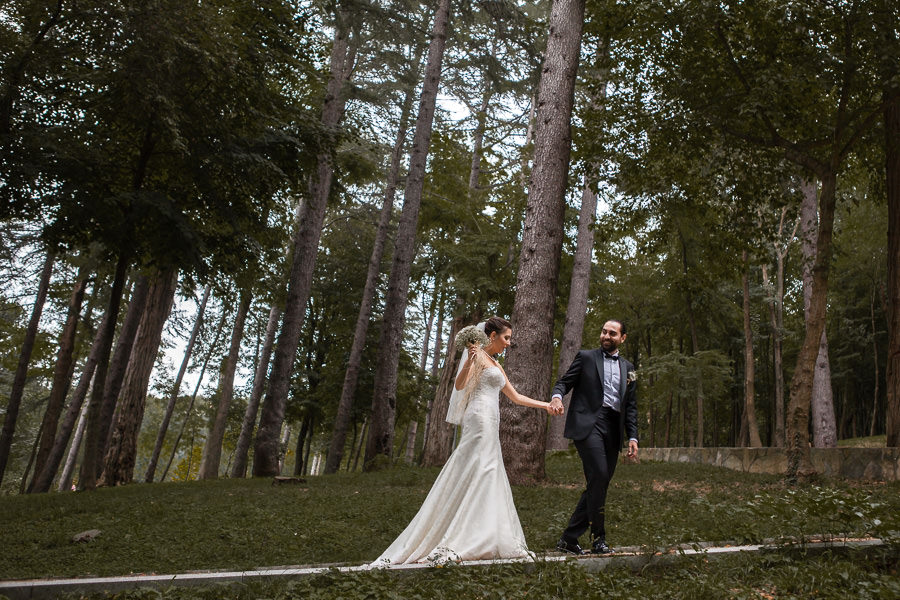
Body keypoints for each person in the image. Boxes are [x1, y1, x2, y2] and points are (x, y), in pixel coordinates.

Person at [371, 317, 563, 567]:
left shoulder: (495, 363)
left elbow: (515, 396)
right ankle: (466, 535)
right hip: (479, 417)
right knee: (482, 467)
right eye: (506, 338)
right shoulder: (479, 357)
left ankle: (485, 533)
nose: (509, 343)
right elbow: (460, 386)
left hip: (492, 420)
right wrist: (470, 361)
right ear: (492, 335)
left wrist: (546, 406)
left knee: (489, 469)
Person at [551, 319, 638, 555]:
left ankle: (569, 538)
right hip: (589, 424)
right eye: (604, 332)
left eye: (612, 333)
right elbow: (564, 382)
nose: (606, 336)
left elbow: (630, 405)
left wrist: (633, 437)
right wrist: (557, 397)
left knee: (599, 483)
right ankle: (599, 538)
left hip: (614, 427)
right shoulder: (586, 357)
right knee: (599, 475)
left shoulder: (630, 368)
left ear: (623, 338)